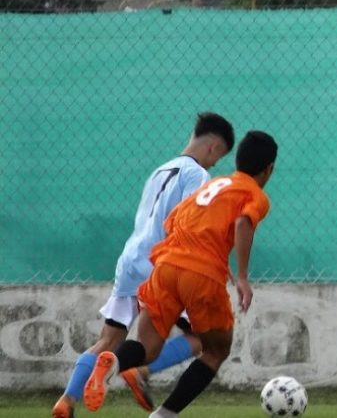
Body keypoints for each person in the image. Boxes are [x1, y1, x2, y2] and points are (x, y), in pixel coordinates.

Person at [83, 131, 279, 417]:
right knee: (216, 351)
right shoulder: (255, 194)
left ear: (237, 160)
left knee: (147, 347)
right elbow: (243, 223)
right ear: (268, 169)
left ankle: (112, 362)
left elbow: (173, 221)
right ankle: (163, 415)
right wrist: (243, 277)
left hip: (165, 267)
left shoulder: (210, 186)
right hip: (200, 274)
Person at [51, 112, 235, 418]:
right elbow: (191, 223)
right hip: (163, 264)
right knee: (201, 340)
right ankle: (142, 372)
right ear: (214, 147)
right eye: (219, 157)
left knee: (107, 341)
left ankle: (67, 401)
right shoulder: (197, 176)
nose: (215, 164)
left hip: (130, 260)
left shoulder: (160, 171)